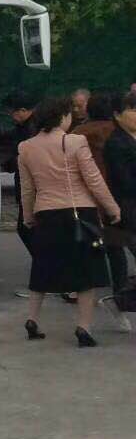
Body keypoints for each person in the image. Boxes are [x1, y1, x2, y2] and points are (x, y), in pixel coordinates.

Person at [18, 95, 121, 346]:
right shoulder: (75, 142)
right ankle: (83, 328)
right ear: (62, 116)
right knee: (86, 271)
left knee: (42, 268)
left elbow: (27, 189)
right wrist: (112, 208)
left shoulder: (26, 147)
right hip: (79, 213)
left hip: (46, 213)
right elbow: (93, 180)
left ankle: (32, 319)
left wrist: (29, 216)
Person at [73, 93, 133, 329]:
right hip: (120, 202)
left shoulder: (78, 135)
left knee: (106, 251)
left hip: (91, 202)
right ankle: (119, 300)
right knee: (117, 252)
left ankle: (107, 300)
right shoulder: (120, 135)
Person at [103, 92, 136, 311]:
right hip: (124, 208)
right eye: (133, 110)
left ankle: (123, 296)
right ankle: (122, 297)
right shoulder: (116, 143)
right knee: (117, 253)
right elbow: (124, 180)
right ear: (117, 115)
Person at [0, 92, 37, 256]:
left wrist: (10, 163)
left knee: (26, 228)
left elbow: (25, 157)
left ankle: (44, 262)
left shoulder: (32, 129)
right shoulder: (25, 127)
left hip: (31, 187)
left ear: (22, 110)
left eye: (12, 113)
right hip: (27, 186)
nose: (11, 117)